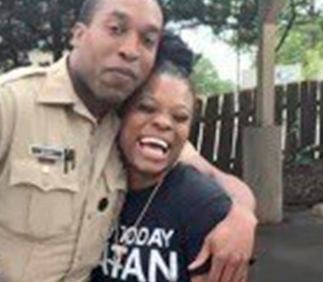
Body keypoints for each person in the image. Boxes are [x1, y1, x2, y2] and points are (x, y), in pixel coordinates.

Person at [0, 0, 256, 281]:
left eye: (148, 39)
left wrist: (241, 218)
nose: (130, 48)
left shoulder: (130, 126)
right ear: (78, 34)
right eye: (116, 28)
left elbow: (219, 178)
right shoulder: (7, 102)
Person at [90, 33, 231, 282]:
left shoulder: (203, 205)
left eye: (180, 117)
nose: (164, 123)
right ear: (120, 116)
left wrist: (242, 212)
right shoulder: (90, 185)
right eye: (146, 108)